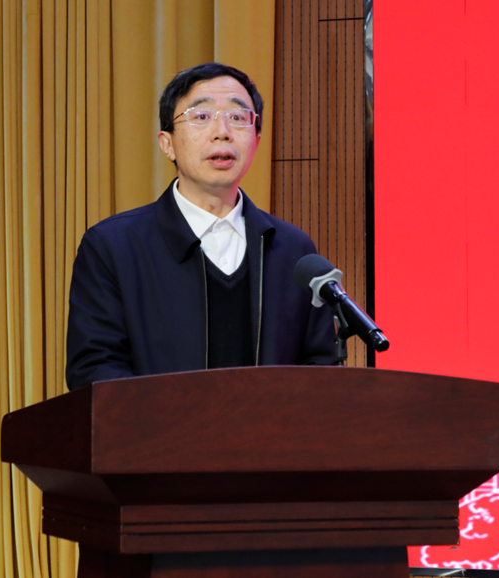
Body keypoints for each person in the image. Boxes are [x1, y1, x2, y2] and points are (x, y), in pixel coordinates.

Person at [65, 62, 335, 391]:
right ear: (167, 143)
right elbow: (95, 368)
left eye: (238, 117)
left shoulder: (292, 250)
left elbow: (320, 367)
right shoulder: (113, 247)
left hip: (273, 427)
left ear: (256, 140)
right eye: (202, 116)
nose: (222, 131)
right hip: (158, 426)